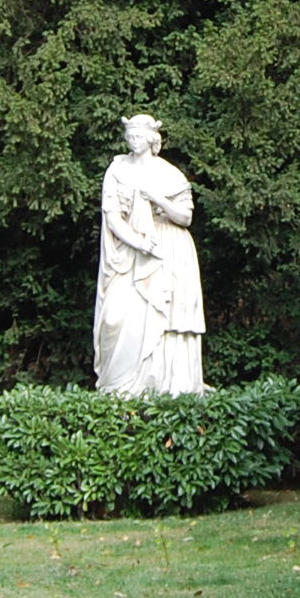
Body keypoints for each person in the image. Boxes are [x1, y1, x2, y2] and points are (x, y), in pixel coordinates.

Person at [93, 114, 205, 394]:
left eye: (139, 135)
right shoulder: (117, 170)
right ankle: (121, 388)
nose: (133, 140)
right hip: (131, 251)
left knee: (168, 316)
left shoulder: (169, 173)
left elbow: (185, 217)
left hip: (169, 249)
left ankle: (165, 384)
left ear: (152, 139)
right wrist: (138, 242)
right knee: (114, 317)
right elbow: (112, 217)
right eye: (129, 135)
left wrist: (158, 199)